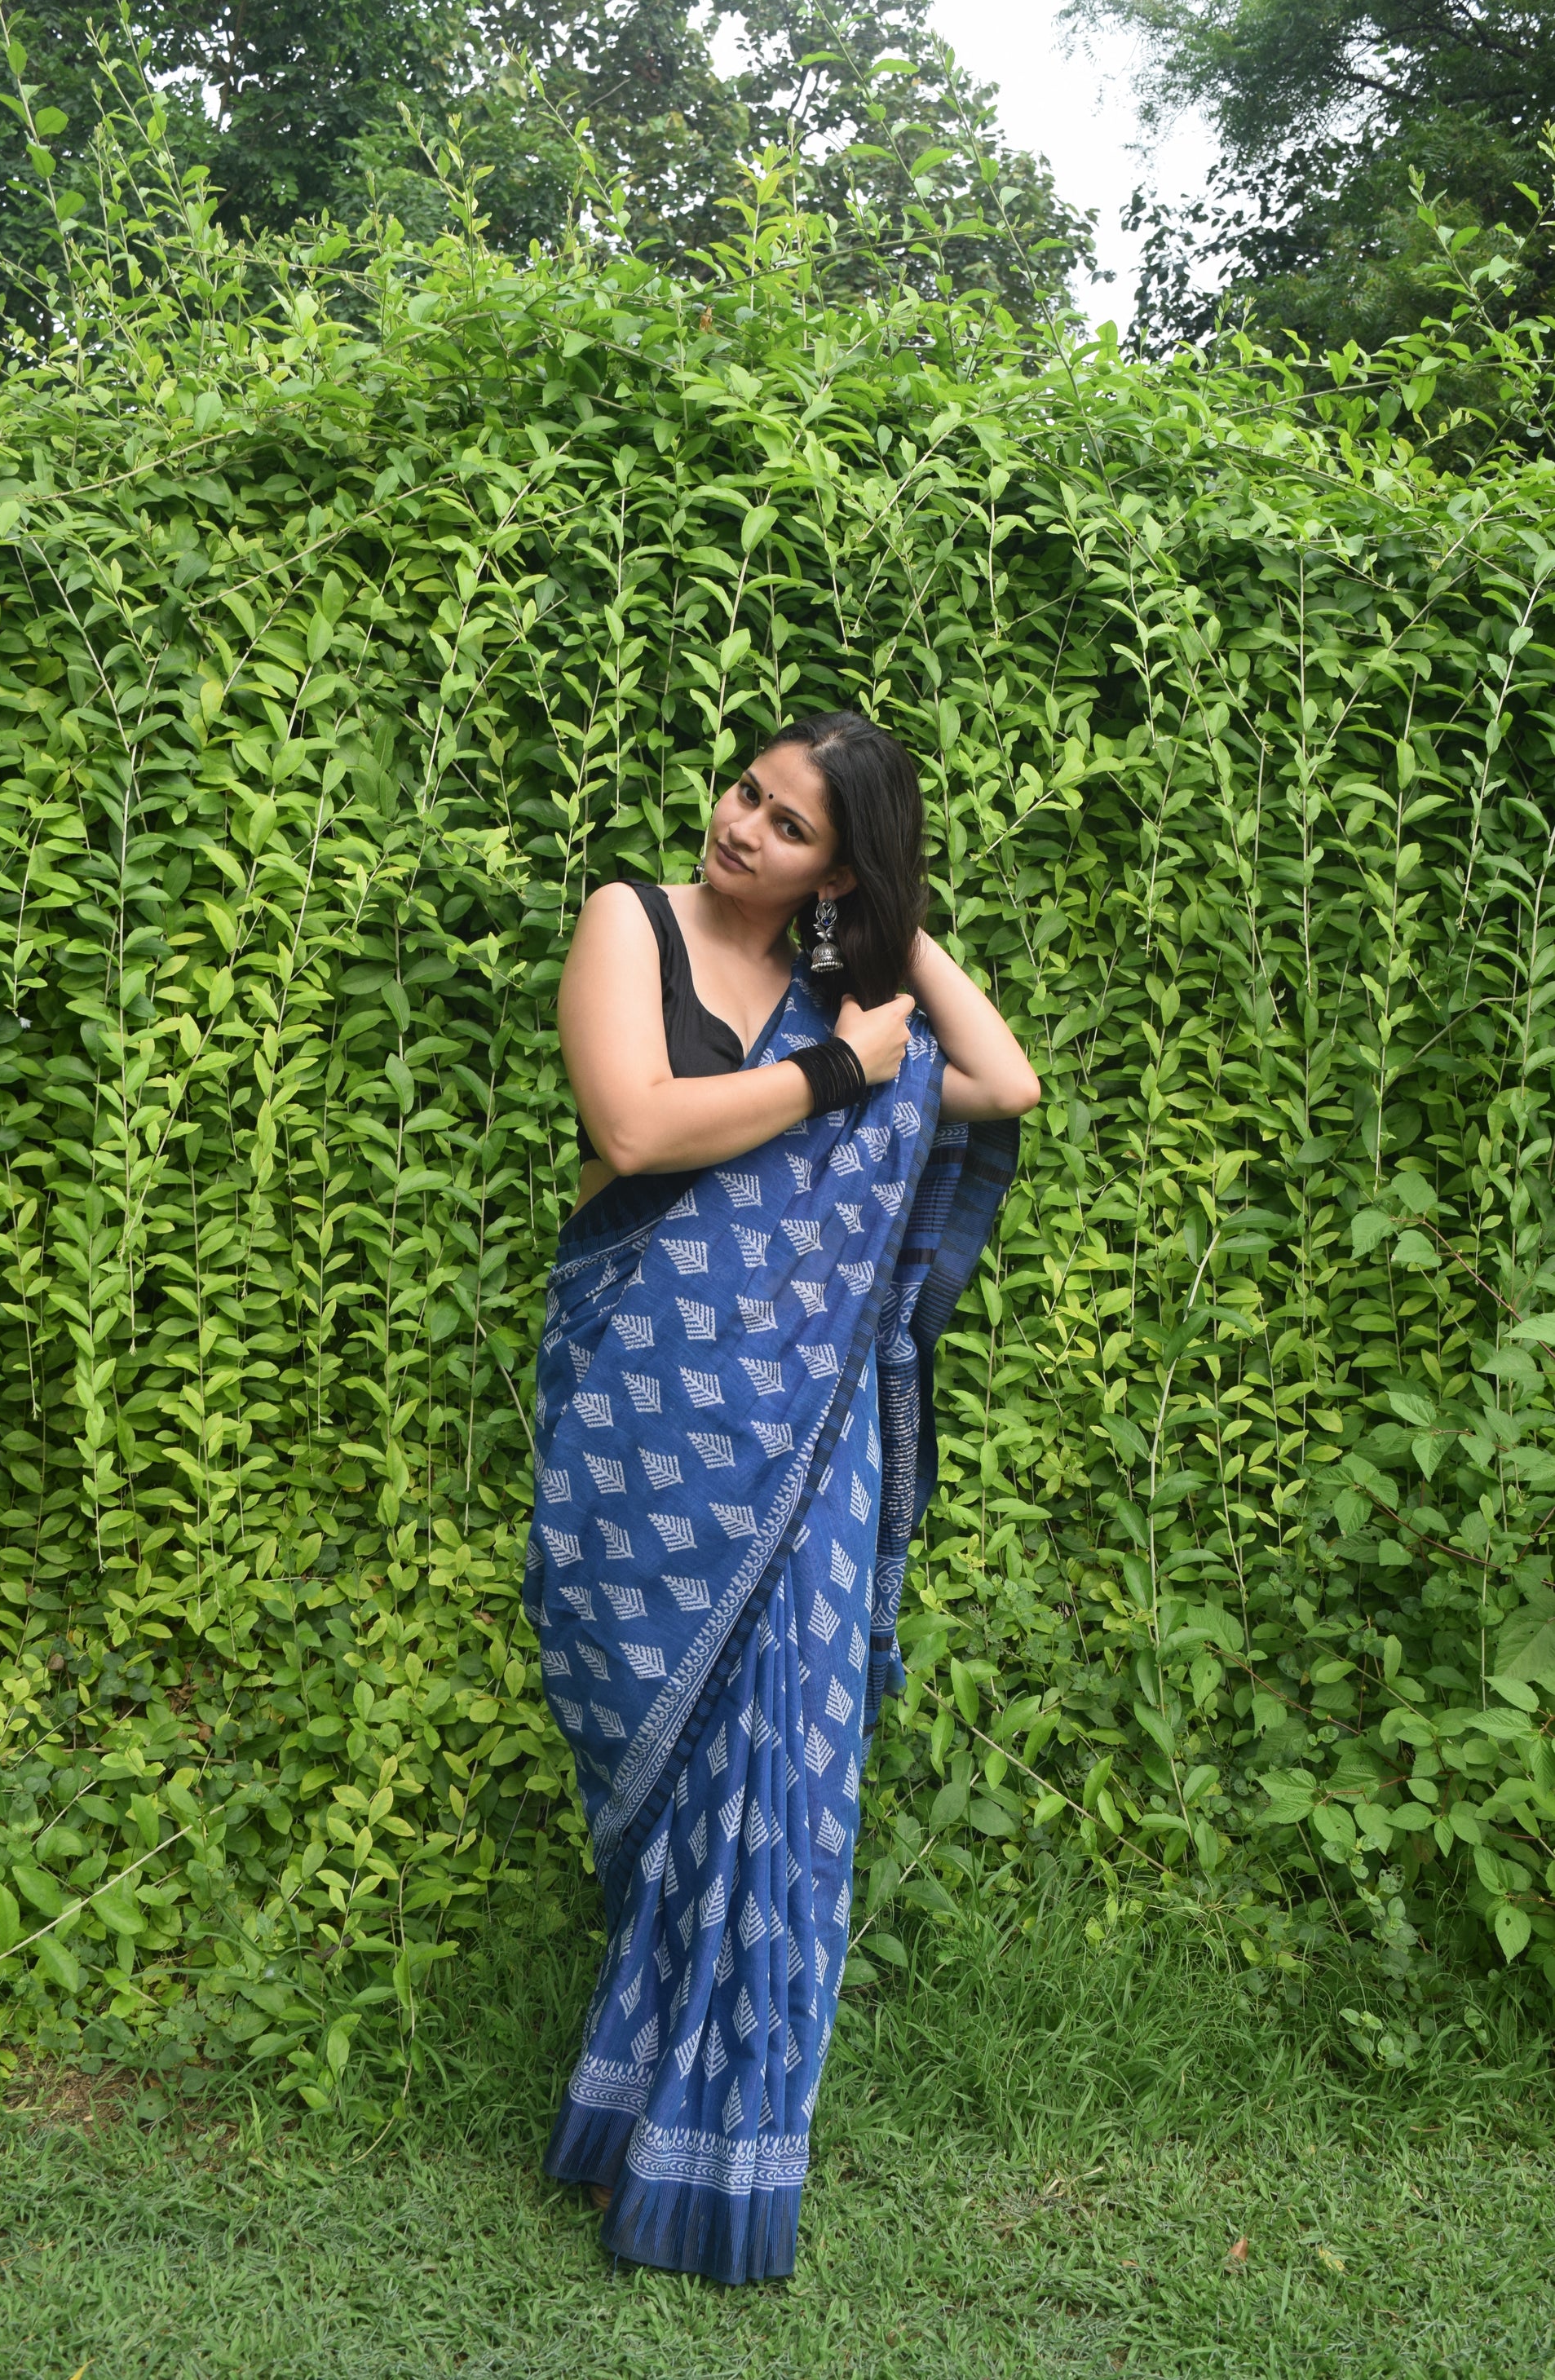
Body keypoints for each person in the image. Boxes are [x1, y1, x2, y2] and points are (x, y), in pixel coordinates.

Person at [527, 709, 1039, 2284]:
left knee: (787, 1776)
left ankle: (702, 2155)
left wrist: (892, 936)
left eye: (794, 824)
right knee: (678, 1763)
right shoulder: (634, 924)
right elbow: (633, 1127)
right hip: (646, 1408)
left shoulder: (850, 998)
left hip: (806, 1447)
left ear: (839, 871)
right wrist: (835, 1071)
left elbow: (1006, 1084)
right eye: (747, 791)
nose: (743, 825)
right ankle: (642, 2115)